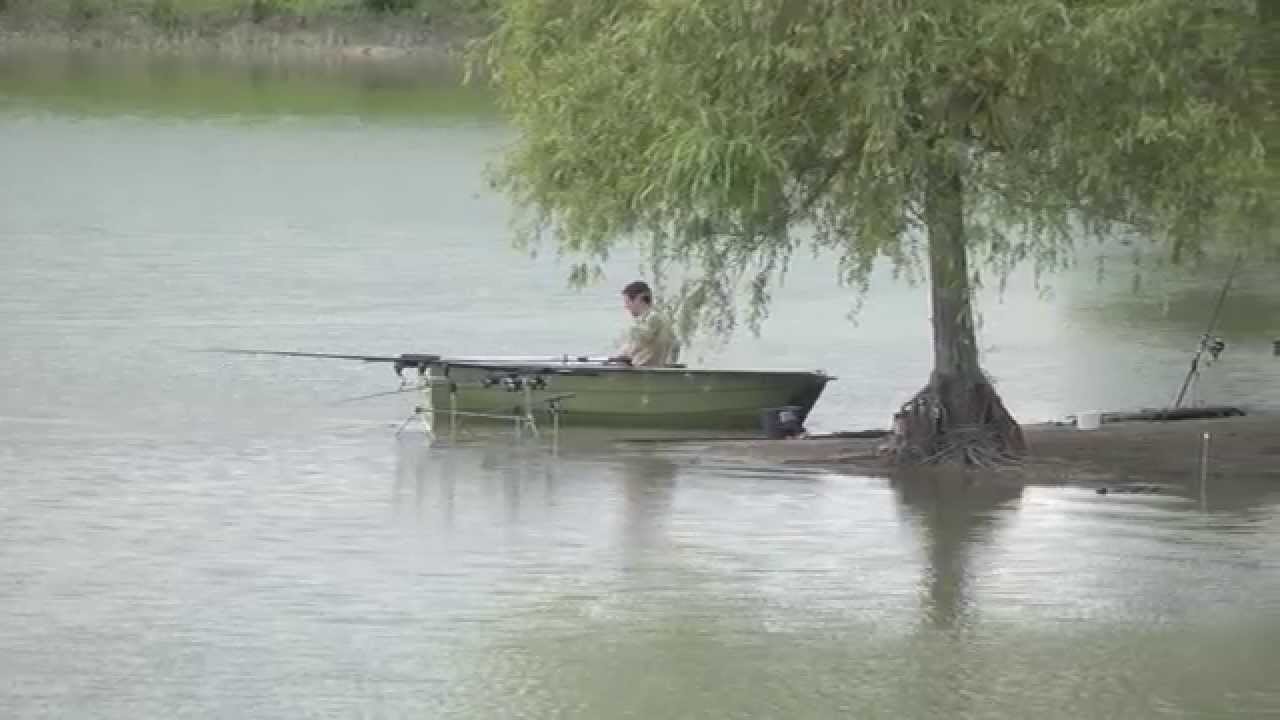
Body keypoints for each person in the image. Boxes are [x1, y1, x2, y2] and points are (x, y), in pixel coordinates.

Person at [607, 280, 678, 367]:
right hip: (652, 371)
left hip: (650, 373)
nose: (626, 306)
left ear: (639, 299)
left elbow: (636, 345)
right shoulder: (658, 318)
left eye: (627, 302)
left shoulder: (654, 319)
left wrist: (620, 357)